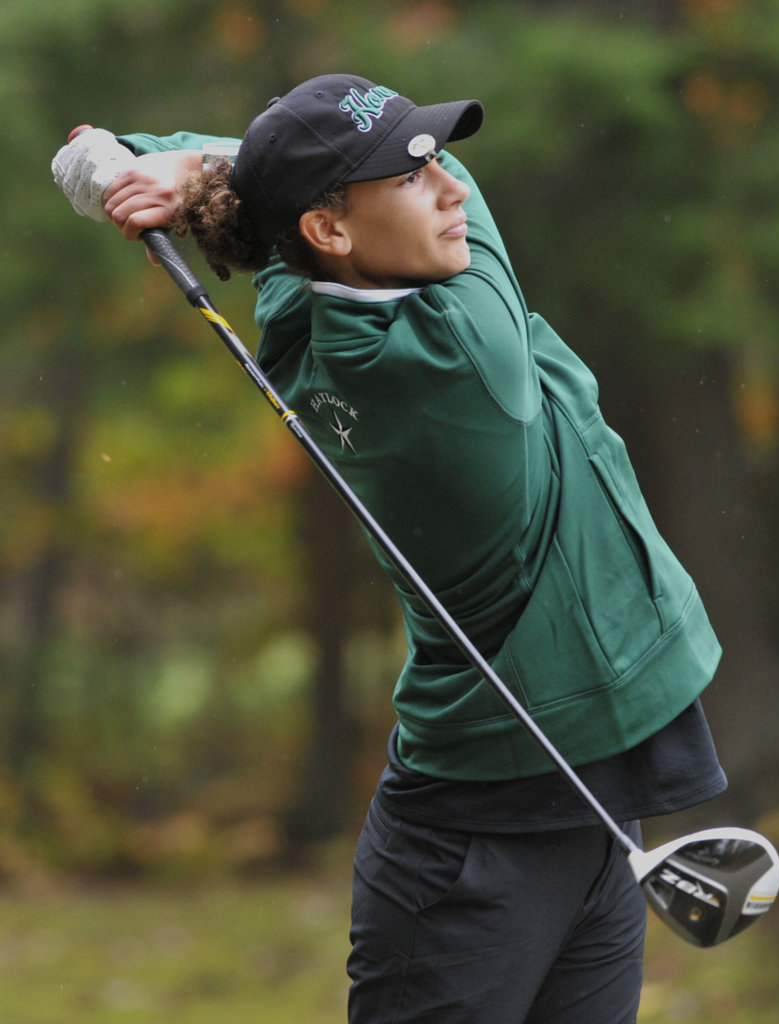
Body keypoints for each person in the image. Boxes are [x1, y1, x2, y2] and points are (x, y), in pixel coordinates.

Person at [52, 74, 727, 1024]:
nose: (449, 187)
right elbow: (433, 194)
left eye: (437, 161)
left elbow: (277, 196)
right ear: (330, 227)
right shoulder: (466, 349)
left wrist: (158, 160)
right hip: (472, 848)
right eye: (413, 177)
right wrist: (191, 161)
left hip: (572, 797)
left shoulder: (301, 305)